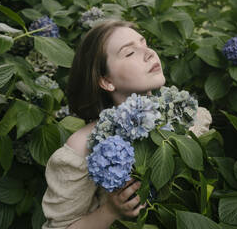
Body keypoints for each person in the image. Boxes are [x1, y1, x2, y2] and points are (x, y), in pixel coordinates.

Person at [41, 20, 212, 229]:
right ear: (106, 81)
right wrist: (111, 211)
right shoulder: (81, 147)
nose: (149, 53)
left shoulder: (184, 114)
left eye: (144, 43)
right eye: (130, 52)